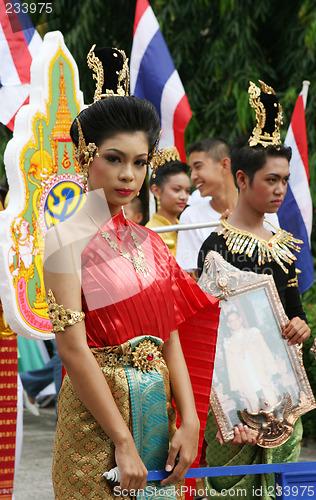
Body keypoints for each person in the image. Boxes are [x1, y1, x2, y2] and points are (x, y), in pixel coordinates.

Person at [43, 46, 219, 499]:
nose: (129, 175)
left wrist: (190, 419)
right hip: (96, 421)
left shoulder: (151, 241)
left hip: (157, 412)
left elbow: (170, 336)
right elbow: (73, 351)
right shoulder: (65, 241)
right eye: (114, 158)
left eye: (140, 162)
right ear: (85, 156)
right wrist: (121, 442)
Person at [197, 80, 310, 499]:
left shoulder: (284, 247)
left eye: (285, 180)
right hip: (233, 392)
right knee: (232, 487)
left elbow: (295, 315)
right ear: (242, 178)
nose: (280, 189)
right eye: (271, 180)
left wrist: (301, 328)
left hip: (281, 390)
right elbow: (209, 330)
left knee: (281, 486)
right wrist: (229, 400)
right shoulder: (216, 247)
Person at [176, 138, 280, 276]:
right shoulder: (190, 217)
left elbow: (277, 265)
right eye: (191, 170)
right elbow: (196, 278)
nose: (193, 176)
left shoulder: (263, 210)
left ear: (224, 165)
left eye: (198, 167)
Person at [146, 148, 191, 256]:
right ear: (156, 191)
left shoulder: (187, 227)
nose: (184, 196)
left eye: (187, 191)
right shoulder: (150, 233)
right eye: (176, 189)